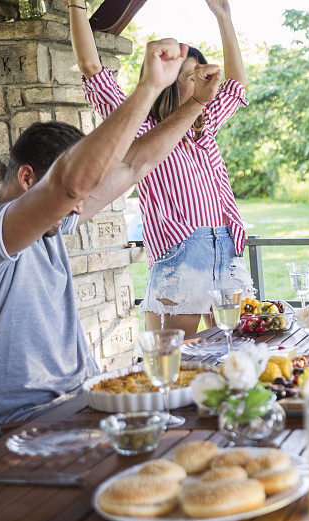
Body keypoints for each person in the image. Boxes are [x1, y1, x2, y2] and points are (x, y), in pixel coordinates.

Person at [0, 40, 224, 424]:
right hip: (27, 421)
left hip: (86, 400)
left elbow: (135, 164)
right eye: (77, 196)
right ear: (27, 178)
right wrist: (148, 89)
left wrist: (196, 104)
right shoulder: (1, 229)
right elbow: (67, 187)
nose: (80, 209)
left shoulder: (53, 225)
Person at [69, 0, 253, 337]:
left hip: (225, 249)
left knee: (230, 354)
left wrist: (223, 17)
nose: (201, 81)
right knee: (174, 363)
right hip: (182, 254)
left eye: (202, 73)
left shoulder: (205, 125)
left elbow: (237, 85)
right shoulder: (140, 129)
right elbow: (91, 68)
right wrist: (75, 6)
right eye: (189, 76)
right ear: (167, 82)